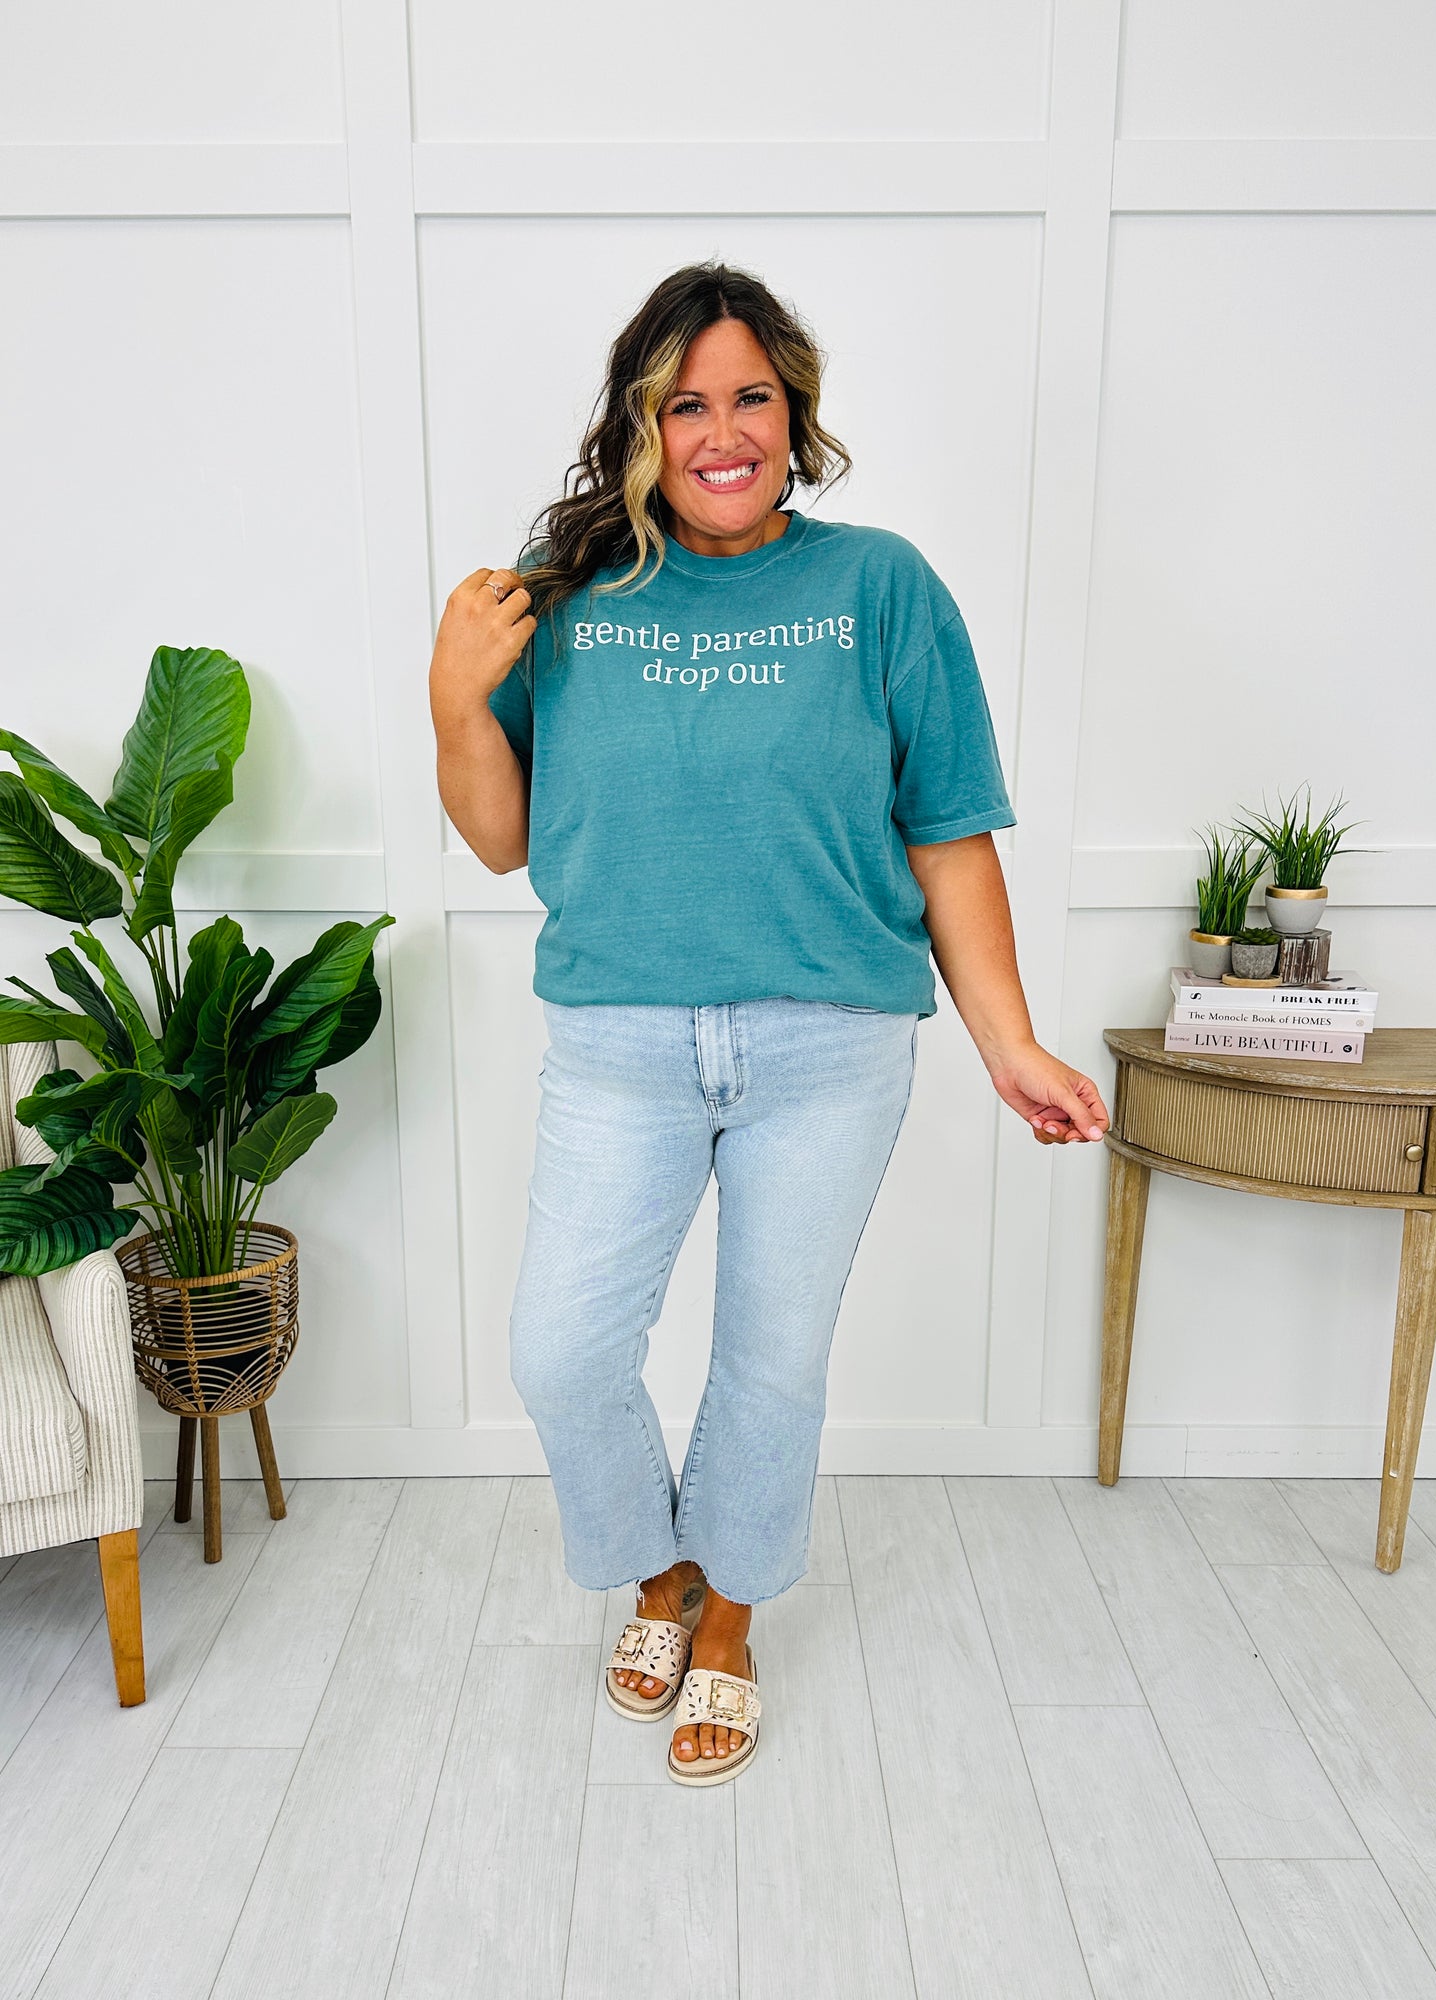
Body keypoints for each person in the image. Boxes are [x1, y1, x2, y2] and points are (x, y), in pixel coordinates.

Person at [428, 262, 1109, 1786]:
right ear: (641, 424)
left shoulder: (881, 587)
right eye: (686, 404)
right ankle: (663, 1575)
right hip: (619, 1041)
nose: (722, 432)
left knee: (770, 1363)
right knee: (560, 1352)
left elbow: (947, 831)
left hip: (828, 1048)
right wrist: (454, 699)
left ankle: (727, 1622)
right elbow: (500, 840)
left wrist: (1010, 1043)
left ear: (795, 416)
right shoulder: (568, 588)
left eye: (752, 398)